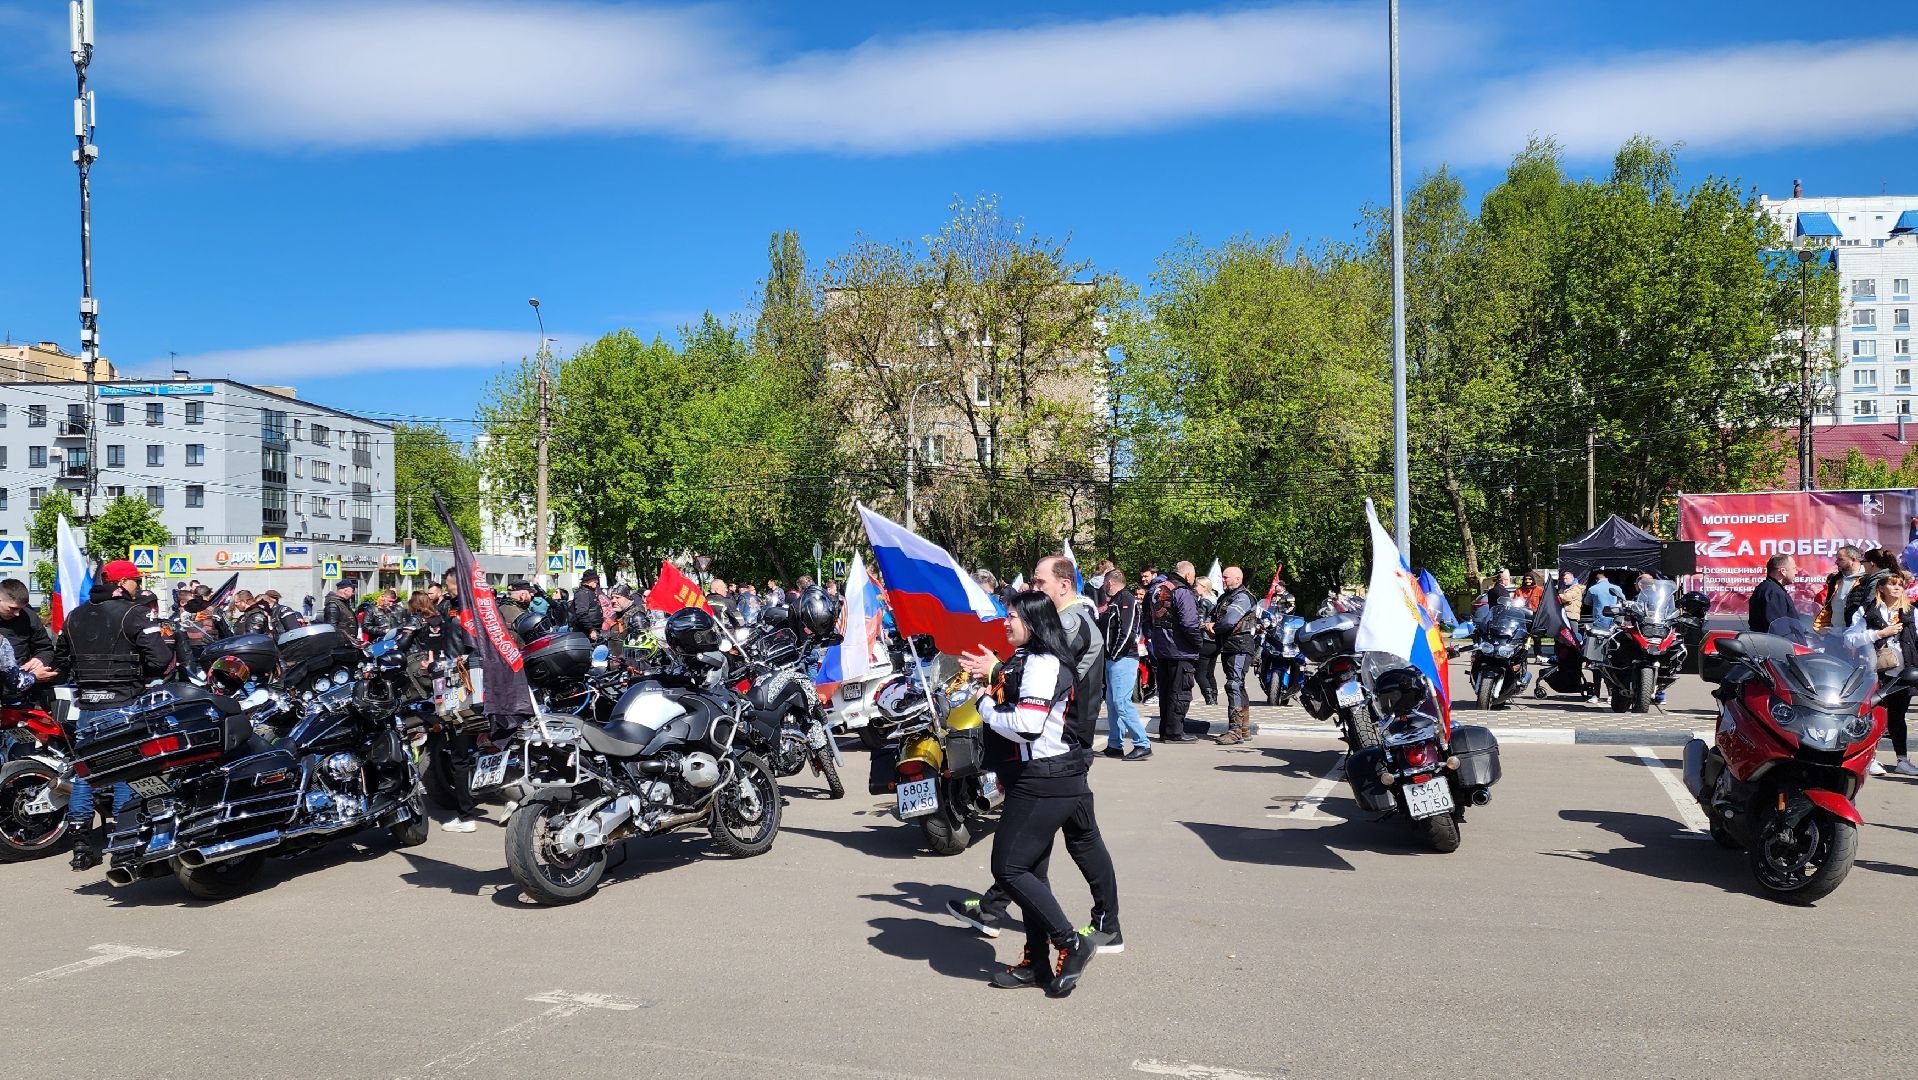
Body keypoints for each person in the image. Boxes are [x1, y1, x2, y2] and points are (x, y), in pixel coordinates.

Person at [951, 592, 1099, 996]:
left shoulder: (1043, 662)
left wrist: (983, 705)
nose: (1006, 622)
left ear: (1033, 622)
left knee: (1008, 868)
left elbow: (1028, 725)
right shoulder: (1030, 659)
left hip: (1047, 779)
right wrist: (993, 676)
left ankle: (1071, 942)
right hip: (1038, 776)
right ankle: (1036, 962)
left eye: (1012, 616)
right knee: (1032, 872)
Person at [54, 559, 173, 870]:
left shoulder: (75, 615)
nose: (138, 586)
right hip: (124, 703)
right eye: (136, 581)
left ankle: (81, 846)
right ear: (122, 583)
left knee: (86, 771)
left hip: (87, 705)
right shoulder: (134, 613)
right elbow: (160, 658)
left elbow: (60, 660)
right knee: (125, 770)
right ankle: (124, 843)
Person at [1097, 569, 1149, 760]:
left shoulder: (1126, 599)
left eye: (1104, 583)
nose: (1103, 587)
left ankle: (1142, 743)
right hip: (1115, 658)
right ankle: (1114, 745)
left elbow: (1127, 631)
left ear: (1110, 582)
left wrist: (1115, 653)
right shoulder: (1117, 600)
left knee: (1121, 702)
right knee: (1112, 703)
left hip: (1124, 658)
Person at [1148, 562, 1202, 743]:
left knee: (1165, 692)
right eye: (1193, 575)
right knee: (1180, 692)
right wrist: (1198, 643)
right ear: (1187, 575)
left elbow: (1149, 618)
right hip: (1180, 650)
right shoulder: (1183, 592)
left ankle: (1165, 730)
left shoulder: (1157, 589)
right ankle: (1174, 733)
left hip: (1161, 648)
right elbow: (1189, 624)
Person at [1211, 566, 1259, 745]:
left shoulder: (1243, 597)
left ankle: (1235, 731)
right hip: (1229, 646)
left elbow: (1229, 620)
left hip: (1240, 646)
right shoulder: (1225, 597)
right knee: (1238, 685)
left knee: (1234, 684)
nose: (1223, 580)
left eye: (1226, 577)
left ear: (1238, 579)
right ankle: (1244, 729)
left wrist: (1214, 628)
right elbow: (1214, 616)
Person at [1878, 572, 1918, 776]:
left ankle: (1902, 760)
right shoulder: (1870, 611)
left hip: (1903, 673)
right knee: (1875, 717)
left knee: (1897, 716)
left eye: (1900, 585)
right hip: (1877, 671)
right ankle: (1871, 759)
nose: (1897, 588)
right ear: (1881, 588)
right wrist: (1879, 634)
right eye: (1892, 584)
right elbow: (1852, 638)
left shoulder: (1911, 612)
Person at [0, 579, 57, 689]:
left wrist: (40, 659)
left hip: (22, 688)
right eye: (13, 608)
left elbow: (45, 648)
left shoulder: (29, 617)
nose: (17, 614)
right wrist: (33, 677)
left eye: (21, 609)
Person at [1816, 545, 1865, 631]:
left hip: (1856, 634)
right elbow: (1829, 606)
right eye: (1837, 559)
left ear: (1853, 559)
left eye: (1840, 559)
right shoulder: (1835, 579)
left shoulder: (1867, 579)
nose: (1836, 562)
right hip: (1834, 633)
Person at [1748, 554, 1798, 632]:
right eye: (1794, 568)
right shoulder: (1773, 593)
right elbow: (1778, 629)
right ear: (1783, 571)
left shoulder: (1769, 588)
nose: (1796, 572)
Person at [1192, 578, 1220, 708]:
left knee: (1200, 673)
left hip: (1205, 639)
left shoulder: (1204, 601)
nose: (1194, 587)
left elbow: (1199, 622)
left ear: (1204, 587)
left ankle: (1210, 699)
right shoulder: (1216, 600)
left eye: (1197, 585)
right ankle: (1214, 697)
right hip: (1215, 640)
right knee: (1210, 672)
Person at [570, 569, 605, 639]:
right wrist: (591, 630)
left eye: (596, 579)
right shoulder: (582, 593)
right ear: (586, 581)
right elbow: (582, 614)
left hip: (593, 630)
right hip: (586, 632)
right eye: (594, 579)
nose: (596, 581)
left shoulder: (589, 592)